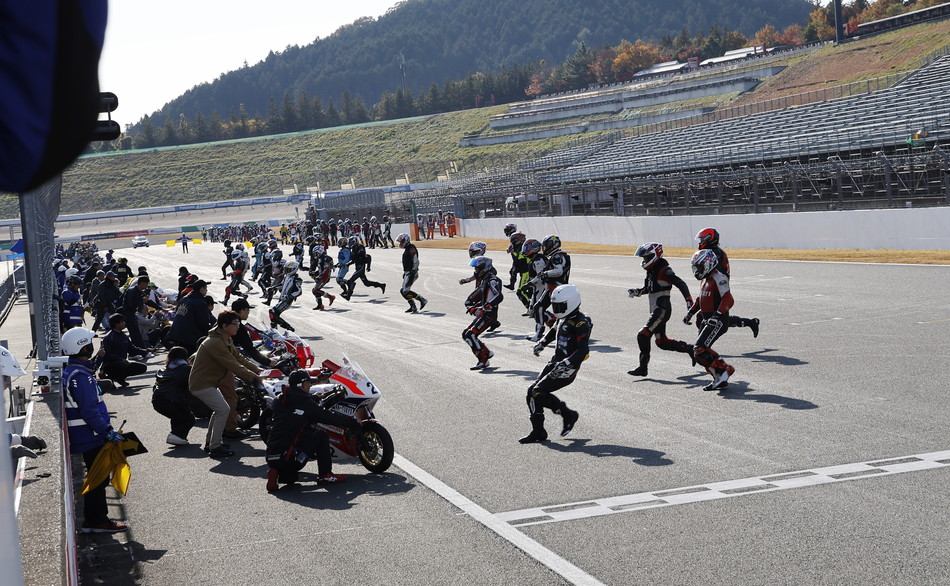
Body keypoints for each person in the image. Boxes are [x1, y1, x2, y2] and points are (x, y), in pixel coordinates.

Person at [61, 327, 129, 533]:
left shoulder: (73, 371)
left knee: (96, 477)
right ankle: (97, 520)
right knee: (98, 479)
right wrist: (107, 430)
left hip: (84, 435)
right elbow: (90, 411)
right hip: (90, 436)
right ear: (84, 347)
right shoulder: (81, 376)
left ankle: (95, 519)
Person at [265, 370, 357, 492]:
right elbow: (327, 417)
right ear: (303, 385)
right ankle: (325, 475)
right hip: (292, 459)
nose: (310, 385)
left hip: (271, 456)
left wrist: (314, 397)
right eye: (309, 383)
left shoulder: (279, 400)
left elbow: (295, 403)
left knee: (291, 478)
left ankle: (275, 471)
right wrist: (352, 422)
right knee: (320, 434)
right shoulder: (306, 405)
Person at [520, 284, 589, 444]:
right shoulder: (564, 317)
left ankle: (568, 414)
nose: (557, 309)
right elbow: (554, 330)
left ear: (571, 302)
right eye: (555, 306)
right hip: (555, 362)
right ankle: (538, 431)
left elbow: (583, 350)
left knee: (538, 392)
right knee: (531, 392)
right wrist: (542, 343)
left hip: (568, 367)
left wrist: (566, 363)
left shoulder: (581, 323)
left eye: (560, 306)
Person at [189, 311, 263, 457]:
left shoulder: (225, 338)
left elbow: (239, 358)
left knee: (220, 410)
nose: (238, 327)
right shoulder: (215, 342)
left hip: (209, 383)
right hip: (201, 384)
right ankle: (215, 447)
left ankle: (210, 443)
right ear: (224, 326)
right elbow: (232, 364)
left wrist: (257, 369)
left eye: (238, 323)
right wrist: (253, 377)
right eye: (235, 324)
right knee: (223, 410)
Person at [627, 243, 695, 377]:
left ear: (654, 256)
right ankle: (690, 349)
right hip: (656, 309)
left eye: (646, 257)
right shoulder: (652, 270)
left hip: (662, 309)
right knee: (662, 342)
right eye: (644, 258)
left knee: (643, 335)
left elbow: (680, 283)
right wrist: (637, 291)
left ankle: (643, 368)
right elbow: (649, 288)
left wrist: (689, 301)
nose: (644, 260)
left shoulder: (664, 269)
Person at [684, 249, 736, 392]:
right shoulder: (705, 279)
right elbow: (701, 298)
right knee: (700, 351)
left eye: (699, 267)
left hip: (718, 320)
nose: (697, 271)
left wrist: (717, 315)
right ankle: (720, 377)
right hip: (707, 320)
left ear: (708, 264)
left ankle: (725, 369)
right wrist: (690, 313)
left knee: (699, 349)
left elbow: (729, 299)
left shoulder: (720, 278)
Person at [695, 228, 760, 337]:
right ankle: (751, 322)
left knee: (711, 317)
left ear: (709, 239)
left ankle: (701, 341)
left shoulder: (716, 253)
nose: (700, 242)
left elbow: (714, 272)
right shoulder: (712, 252)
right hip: (715, 287)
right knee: (717, 319)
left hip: (718, 289)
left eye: (702, 240)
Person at [462, 257, 503, 370]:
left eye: (477, 268)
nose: (475, 271)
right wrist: (471, 306)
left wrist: (485, 307)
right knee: (465, 334)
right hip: (484, 313)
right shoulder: (485, 280)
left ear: (485, 268)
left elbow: (499, 296)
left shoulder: (493, 280)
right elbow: (476, 296)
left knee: (470, 335)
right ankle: (487, 352)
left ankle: (483, 360)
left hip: (489, 314)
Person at [151, 347, 195, 446]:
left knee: (177, 417)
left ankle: (177, 436)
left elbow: (155, 386)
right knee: (189, 418)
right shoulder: (186, 369)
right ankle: (176, 435)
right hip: (172, 400)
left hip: (157, 400)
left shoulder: (162, 370)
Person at [100, 314, 152, 387]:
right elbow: (107, 354)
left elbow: (132, 349)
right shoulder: (109, 337)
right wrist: (120, 359)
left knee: (142, 367)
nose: (124, 323)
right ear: (116, 324)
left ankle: (120, 378)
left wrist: (145, 351)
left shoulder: (123, 336)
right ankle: (110, 378)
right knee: (120, 365)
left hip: (122, 363)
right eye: (122, 322)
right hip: (110, 364)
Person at [167, 280, 215, 355]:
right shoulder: (200, 302)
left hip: (175, 335)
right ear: (201, 289)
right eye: (206, 288)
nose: (206, 291)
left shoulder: (184, 299)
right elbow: (203, 323)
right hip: (189, 339)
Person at [397, 233, 428, 313]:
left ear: (406, 240)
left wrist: (413, 271)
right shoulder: (407, 248)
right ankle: (413, 306)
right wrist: (405, 272)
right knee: (403, 291)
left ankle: (422, 299)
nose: (400, 243)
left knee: (405, 291)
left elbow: (416, 260)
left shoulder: (411, 248)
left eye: (401, 241)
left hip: (412, 273)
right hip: (408, 273)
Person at [308, 245, 336, 310]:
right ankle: (320, 305)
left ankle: (330, 297)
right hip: (322, 275)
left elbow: (326, 269)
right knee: (315, 291)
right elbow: (321, 269)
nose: (315, 255)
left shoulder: (325, 258)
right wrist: (315, 273)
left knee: (315, 290)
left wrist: (320, 276)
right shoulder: (321, 258)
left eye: (316, 253)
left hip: (325, 277)